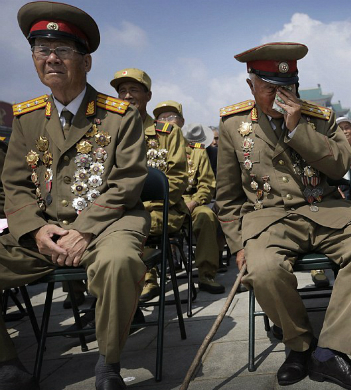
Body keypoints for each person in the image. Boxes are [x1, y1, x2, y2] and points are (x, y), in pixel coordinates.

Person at [217, 42, 351, 389]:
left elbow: (341, 165)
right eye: (270, 89)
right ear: (251, 86)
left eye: (288, 87)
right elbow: (228, 195)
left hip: (326, 208)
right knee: (262, 269)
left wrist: (298, 129)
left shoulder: (319, 118)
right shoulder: (233, 124)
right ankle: (299, 345)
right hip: (269, 218)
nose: (281, 96)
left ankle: (331, 352)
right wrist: (237, 244)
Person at [0, 3, 149, 389]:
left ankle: (107, 365)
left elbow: (128, 180)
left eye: (63, 50)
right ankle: (8, 363)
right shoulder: (27, 119)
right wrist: (34, 230)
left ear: (86, 61)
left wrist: (81, 230)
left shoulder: (120, 115)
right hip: (45, 233)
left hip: (108, 224)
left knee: (120, 262)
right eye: (41, 50)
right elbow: (14, 185)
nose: (51, 59)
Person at [111, 69, 189, 302]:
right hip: (120, 211)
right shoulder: (107, 134)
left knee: (130, 229)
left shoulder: (168, 133)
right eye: (122, 91)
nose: (127, 96)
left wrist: (144, 204)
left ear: (148, 95)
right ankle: (109, 299)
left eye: (133, 90)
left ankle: (144, 281)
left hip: (161, 210)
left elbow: (177, 178)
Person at [178, 122, 225, 294]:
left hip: (193, 201)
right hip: (164, 203)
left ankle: (207, 274)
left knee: (207, 215)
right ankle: (149, 279)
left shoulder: (198, 151)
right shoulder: (154, 148)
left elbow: (207, 184)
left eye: (173, 118)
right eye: (164, 118)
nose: (169, 123)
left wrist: (195, 202)